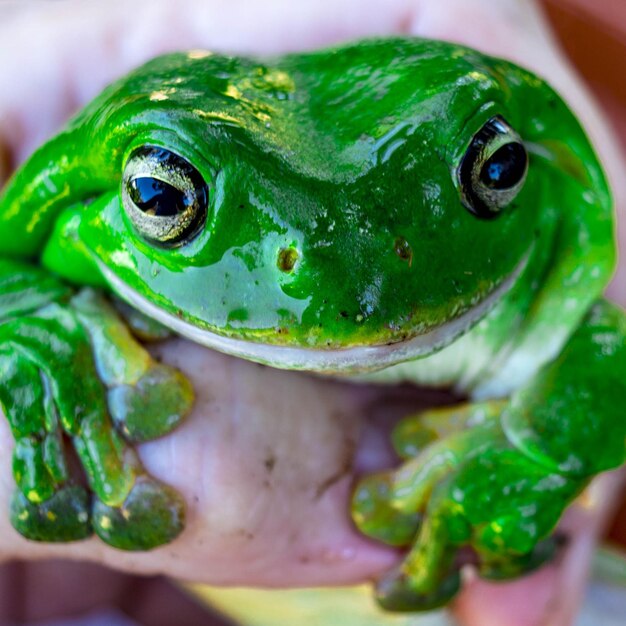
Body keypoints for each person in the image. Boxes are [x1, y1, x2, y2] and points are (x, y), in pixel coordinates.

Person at [0, 1, 624, 625]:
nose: (351, 275)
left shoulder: (542, 259)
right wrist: (26, 311)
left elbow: (603, 348)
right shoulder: (67, 200)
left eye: (495, 170)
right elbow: (14, 256)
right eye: (165, 195)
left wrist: (538, 450)